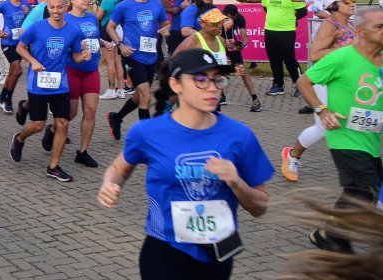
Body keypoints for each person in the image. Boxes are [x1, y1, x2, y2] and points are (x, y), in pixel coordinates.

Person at [98, 49, 271, 279]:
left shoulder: (240, 135)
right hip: (164, 252)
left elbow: (260, 207)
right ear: (176, 84)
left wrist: (236, 182)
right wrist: (110, 184)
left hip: (217, 252)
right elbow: (119, 169)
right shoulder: (147, 132)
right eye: (200, 79)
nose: (212, 87)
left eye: (217, 79)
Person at [295, 5, 383, 253]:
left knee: (357, 192)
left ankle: (328, 234)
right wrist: (322, 110)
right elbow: (304, 81)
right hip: (344, 137)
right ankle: (333, 237)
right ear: (361, 31)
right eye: (379, 27)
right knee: (367, 190)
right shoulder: (342, 57)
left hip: (371, 139)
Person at [11, 0, 89, 181]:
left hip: (60, 84)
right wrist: (32, 61)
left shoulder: (73, 31)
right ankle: (19, 139)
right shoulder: (37, 28)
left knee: (62, 124)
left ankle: (53, 167)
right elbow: (19, 47)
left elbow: (75, 57)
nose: (56, 11)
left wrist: (83, 56)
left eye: (60, 7)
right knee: (38, 125)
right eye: (52, 7)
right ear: (48, 8)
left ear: (66, 7)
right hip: (38, 83)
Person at [281, 0, 358, 182]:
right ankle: (292, 156)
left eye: (353, 0)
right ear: (334, 6)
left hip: (343, 81)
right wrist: (348, 48)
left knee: (350, 119)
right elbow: (315, 55)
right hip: (325, 81)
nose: (353, 3)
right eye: (347, 1)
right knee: (323, 127)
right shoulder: (329, 25)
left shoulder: (350, 24)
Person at [106, 0, 170, 139]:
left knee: (139, 96)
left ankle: (116, 118)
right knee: (146, 95)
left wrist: (165, 30)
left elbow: (165, 23)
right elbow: (110, 27)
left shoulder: (156, 4)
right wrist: (120, 45)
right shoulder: (124, 6)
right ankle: (147, 138)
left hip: (151, 55)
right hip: (132, 55)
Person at [177, 8, 261, 112]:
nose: (219, 26)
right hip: (196, 95)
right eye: (214, 24)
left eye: (220, 23)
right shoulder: (194, 40)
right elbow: (173, 62)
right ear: (203, 24)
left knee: (214, 122)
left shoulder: (221, 41)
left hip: (212, 94)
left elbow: (218, 68)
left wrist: (234, 70)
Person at [63, 0, 105, 167]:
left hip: (91, 69)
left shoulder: (91, 18)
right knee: (70, 113)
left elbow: (94, 37)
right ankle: (53, 129)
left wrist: (106, 43)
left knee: (90, 111)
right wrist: (75, 45)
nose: (87, 1)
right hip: (72, 69)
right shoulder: (65, 19)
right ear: (72, 0)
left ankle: (83, 152)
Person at [0, 0, 32, 113]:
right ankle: (8, 99)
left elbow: (29, 22)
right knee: (18, 70)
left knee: (14, 73)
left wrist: (28, 13)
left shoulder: (25, 4)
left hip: (20, 44)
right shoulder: (4, 5)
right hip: (7, 42)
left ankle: (2, 97)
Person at [261, 0, 306, 97]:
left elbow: (302, 12)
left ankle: (300, 84)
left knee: (289, 59)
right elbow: (266, 9)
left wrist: (289, 19)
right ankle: (278, 85)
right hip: (269, 30)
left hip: (286, 31)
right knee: (274, 59)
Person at [97, 0, 130, 99]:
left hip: (108, 31)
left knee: (110, 62)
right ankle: (121, 89)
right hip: (121, 31)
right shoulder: (126, 0)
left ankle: (111, 89)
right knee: (118, 62)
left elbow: (98, 17)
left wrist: (96, 7)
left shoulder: (107, 2)